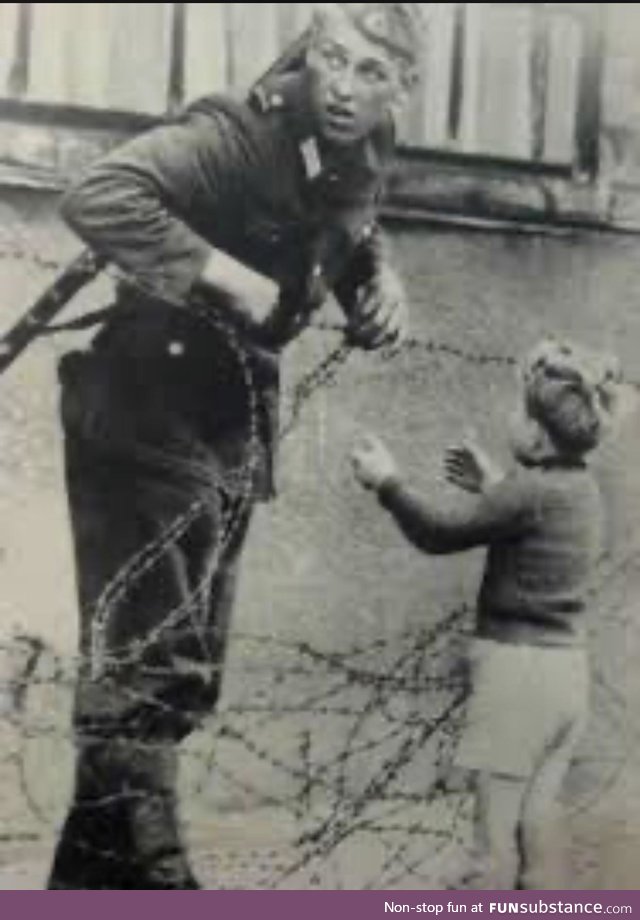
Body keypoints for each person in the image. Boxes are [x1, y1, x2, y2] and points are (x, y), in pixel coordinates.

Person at [46, 1, 425, 891]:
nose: (343, 85)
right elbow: (97, 193)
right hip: (146, 411)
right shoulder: (236, 132)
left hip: (229, 426)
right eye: (332, 58)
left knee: (184, 671)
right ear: (311, 53)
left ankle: (81, 891)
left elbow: (350, 219)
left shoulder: (367, 147)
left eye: (372, 72)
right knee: (151, 667)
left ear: (402, 87)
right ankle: (167, 884)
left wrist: (379, 277)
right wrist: (224, 275)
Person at [351, 339, 621, 889]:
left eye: (517, 411)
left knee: (490, 849)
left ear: (538, 434)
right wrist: (494, 486)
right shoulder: (582, 490)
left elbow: (438, 533)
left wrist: (388, 483)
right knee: (537, 828)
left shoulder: (527, 493)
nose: (508, 417)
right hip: (566, 678)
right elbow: (535, 522)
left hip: (516, 677)